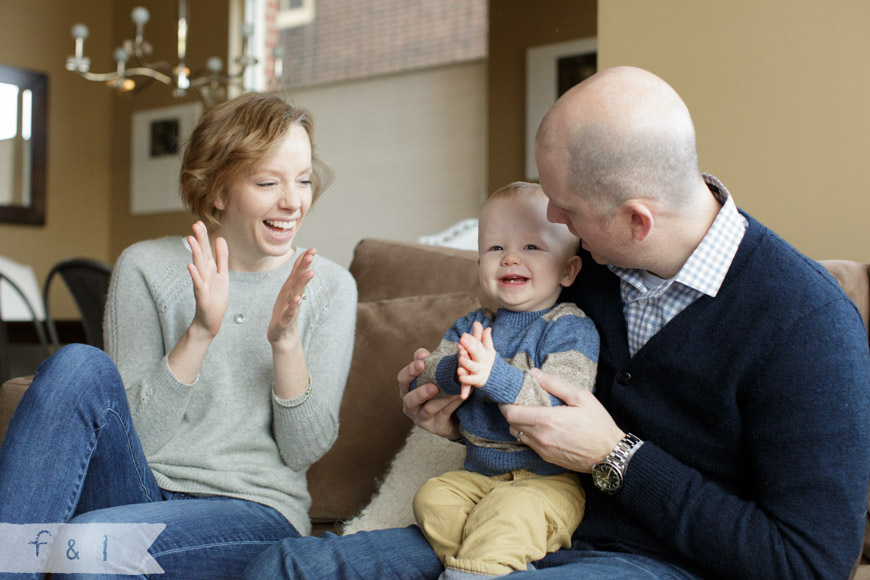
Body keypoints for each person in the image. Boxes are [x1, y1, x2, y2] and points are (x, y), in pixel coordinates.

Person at [242, 66, 870, 580]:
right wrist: (446, 408)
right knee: (282, 567)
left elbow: (809, 562)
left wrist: (615, 455)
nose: (555, 226)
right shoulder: (584, 266)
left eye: (566, 210)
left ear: (636, 219)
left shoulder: (808, 324)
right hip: (506, 516)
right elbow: (507, 374)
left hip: (661, 562)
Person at [0, 92, 357, 580]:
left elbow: (303, 451)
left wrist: (285, 343)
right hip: (140, 487)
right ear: (217, 191)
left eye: (303, 181)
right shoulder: (147, 267)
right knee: (77, 363)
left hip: (251, 511)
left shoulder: (330, 286)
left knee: (85, 545)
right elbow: (137, 437)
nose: (293, 201)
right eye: (268, 181)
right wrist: (200, 332)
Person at [409, 182, 599, 579]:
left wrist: (490, 374)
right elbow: (423, 378)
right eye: (495, 248)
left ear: (568, 270)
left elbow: (559, 406)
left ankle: (471, 571)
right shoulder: (472, 325)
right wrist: (453, 368)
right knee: (432, 497)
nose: (510, 257)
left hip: (547, 484)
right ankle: (498, 563)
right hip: (478, 478)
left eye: (531, 247)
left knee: (513, 512)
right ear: (479, 265)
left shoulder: (570, 328)